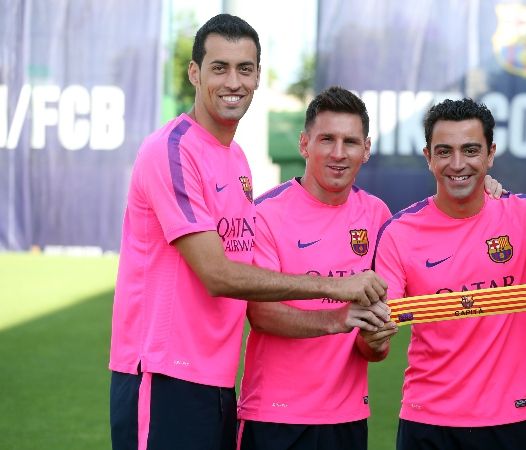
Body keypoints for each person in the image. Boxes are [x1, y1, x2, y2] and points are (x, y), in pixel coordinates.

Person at [108, 16, 386, 450]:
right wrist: (335, 288)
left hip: (217, 380)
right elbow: (218, 274)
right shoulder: (173, 149)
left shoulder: (236, 158)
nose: (233, 81)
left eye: (244, 68)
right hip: (164, 375)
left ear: (257, 76)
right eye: (219, 67)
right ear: (195, 73)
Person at [373, 98, 526, 449]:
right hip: (426, 421)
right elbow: (378, 337)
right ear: (428, 156)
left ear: (490, 155)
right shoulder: (400, 232)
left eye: (471, 150)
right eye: (445, 151)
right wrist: (373, 332)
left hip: (508, 420)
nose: (458, 164)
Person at [236, 86, 397, 450]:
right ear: (304, 144)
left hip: (348, 418)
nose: (338, 154)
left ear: (366, 150)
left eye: (351, 142)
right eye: (327, 139)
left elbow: (375, 342)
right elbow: (261, 313)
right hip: (275, 416)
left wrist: (376, 340)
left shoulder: (378, 216)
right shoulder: (266, 214)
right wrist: (337, 319)